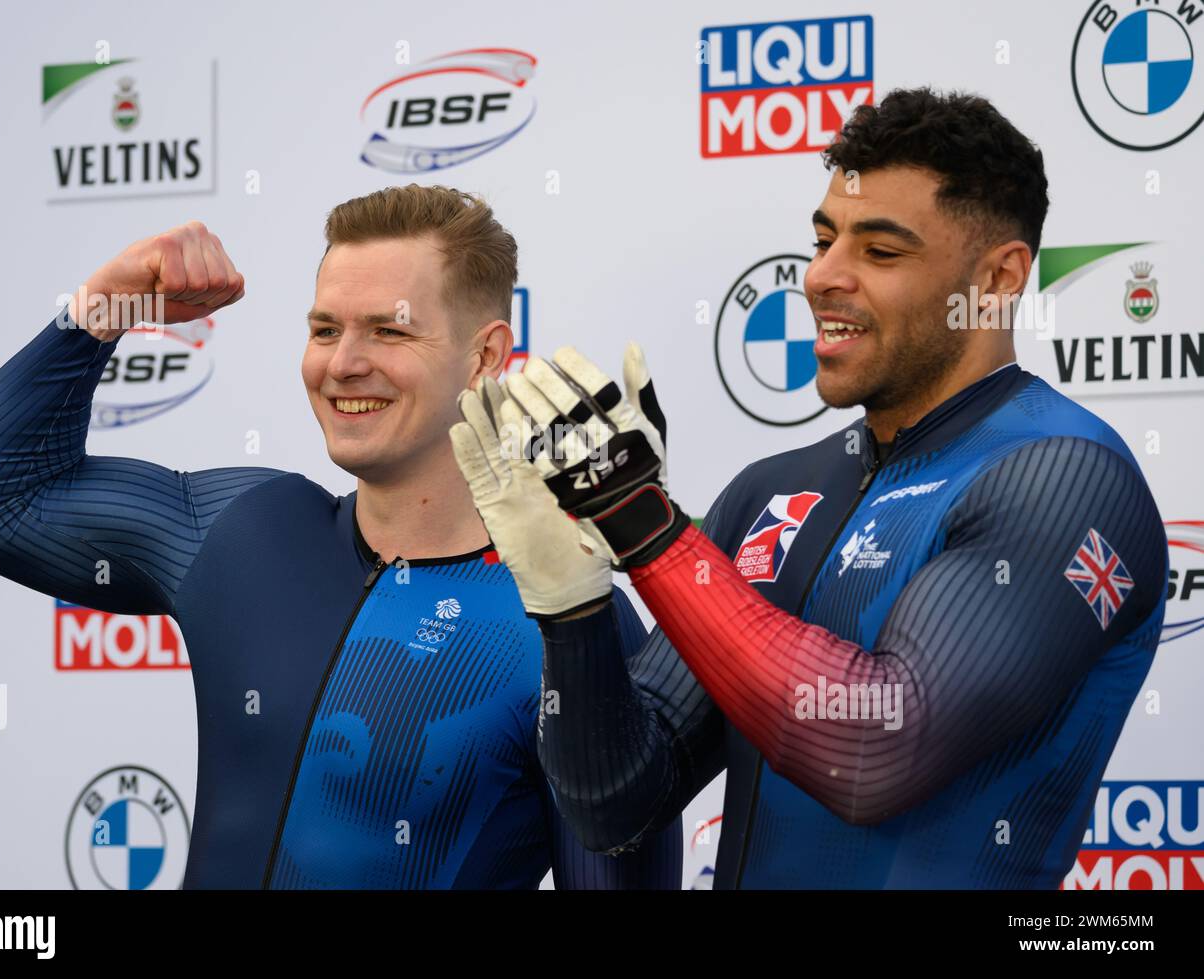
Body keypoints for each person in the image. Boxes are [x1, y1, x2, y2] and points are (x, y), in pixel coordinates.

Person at [450, 89, 1169, 888]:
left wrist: (643, 524)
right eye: (824, 240)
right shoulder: (772, 489)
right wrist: (572, 610)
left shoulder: (1066, 474)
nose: (823, 276)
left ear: (997, 278)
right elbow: (616, 805)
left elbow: (876, 749)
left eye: (880, 251)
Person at [0, 184, 679, 889]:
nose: (343, 364)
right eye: (325, 329)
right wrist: (105, 307)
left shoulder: (571, 624)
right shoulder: (248, 528)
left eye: (389, 329)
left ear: (485, 356)